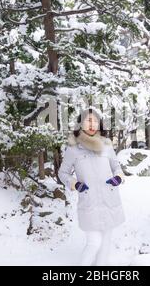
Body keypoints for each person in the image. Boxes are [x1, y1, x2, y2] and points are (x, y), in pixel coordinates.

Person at [58, 107, 126, 266]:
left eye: (95, 121)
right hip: (90, 203)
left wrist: (118, 177)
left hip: (109, 200)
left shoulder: (107, 145)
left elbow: (117, 166)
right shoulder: (73, 148)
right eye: (88, 120)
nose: (92, 124)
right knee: (94, 243)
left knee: (105, 245)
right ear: (80, 124)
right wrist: (75, 184)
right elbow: (63, 173)